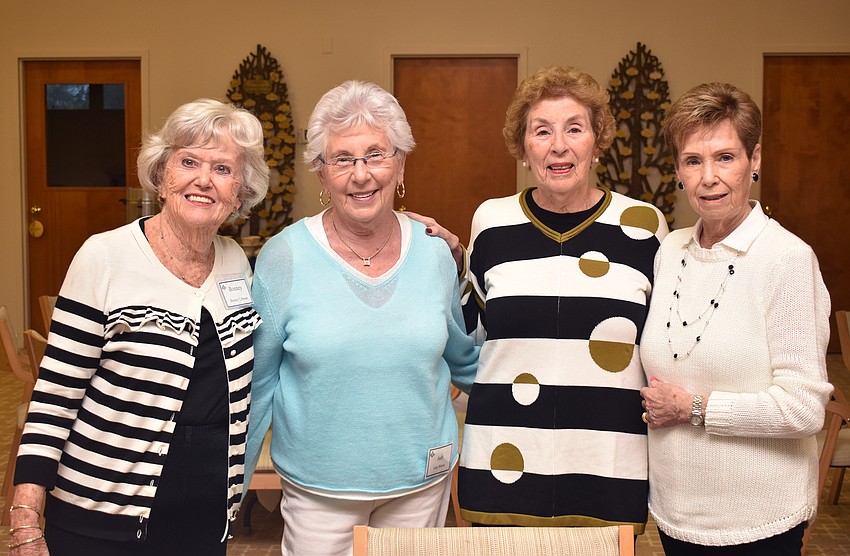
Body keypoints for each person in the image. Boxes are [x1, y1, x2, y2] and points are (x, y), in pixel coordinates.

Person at [9, 98, 270, 556]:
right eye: (188, 161)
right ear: (161, 174)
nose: (203, 180)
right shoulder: (106, 256)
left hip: (205, 518)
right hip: (100, 518)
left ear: (241, 192)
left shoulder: (237, 265)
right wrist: (26, 519)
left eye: (223, 168)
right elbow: (54, 396)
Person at [243, 80, 479, 556]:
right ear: (321, 174)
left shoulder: (435, 253)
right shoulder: (283, 257)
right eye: (343, 159)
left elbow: (464, 357)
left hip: (420, 480)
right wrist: (230, 489)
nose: (361, 174)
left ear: (400, 164)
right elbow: (257, 382)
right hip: (318, 490)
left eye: (376, 155)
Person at [456, 65, 668, 533]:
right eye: (542, 131)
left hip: (606, 461)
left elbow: (662, 348)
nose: (559, 146)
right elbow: (469, 336)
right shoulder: (491, 222)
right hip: (503, 457)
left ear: (597, 142)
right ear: (523, 147)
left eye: (575, 129)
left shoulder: (645, 226)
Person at [639, 82, 832, 554]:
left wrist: (695, 409)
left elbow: (805, 408)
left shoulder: (786, 259)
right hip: (675, 513)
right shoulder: (670, 249)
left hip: (758, 520)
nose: (708, 177)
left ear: (755, 159)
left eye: (725, 157)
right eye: (692, 160)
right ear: (678, 171)